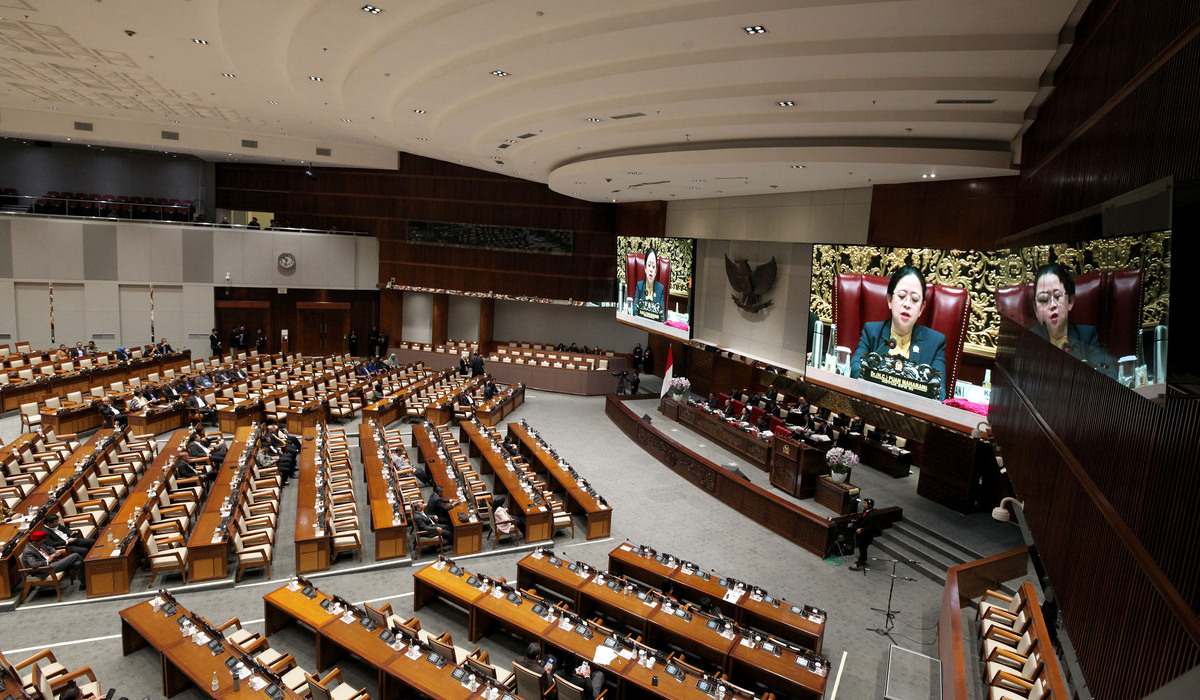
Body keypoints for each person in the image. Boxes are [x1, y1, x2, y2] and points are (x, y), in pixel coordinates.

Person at [849, 266, 948, 400]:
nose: (907, 304)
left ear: (921, 308)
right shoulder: (872, 332)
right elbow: (856, 370)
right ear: (890, 300)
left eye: (914, 299)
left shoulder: (935, 343)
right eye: (901, 296)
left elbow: (939, 392)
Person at [1030, 263, 1116, 377]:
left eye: (1057, 296)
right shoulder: (1028, 341)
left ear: (1070, 301)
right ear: (1036, 309)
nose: (1052, 305)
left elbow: (1108, 374)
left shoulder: (1087, 337)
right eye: (1043, 299)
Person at [633, 249, 666, 322]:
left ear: (656, 271)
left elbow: (662, 316)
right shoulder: (639, 286)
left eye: (653, 267)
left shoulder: (660, 289)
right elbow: (634, 310)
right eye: (649, 265)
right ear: (645, 268)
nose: (651, 270)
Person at [849, 498, 878, 572]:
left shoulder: (872, 515)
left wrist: (862, 529)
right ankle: (863, 560)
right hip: (862, 535)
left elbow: (871, 527)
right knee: (862, 549)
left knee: (863, 550)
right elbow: (862, 520)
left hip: (867, 536)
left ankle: (858, 565)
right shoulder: (865, 511)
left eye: (865, 503)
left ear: (869, 505)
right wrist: (855, 521)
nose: (863, 504)